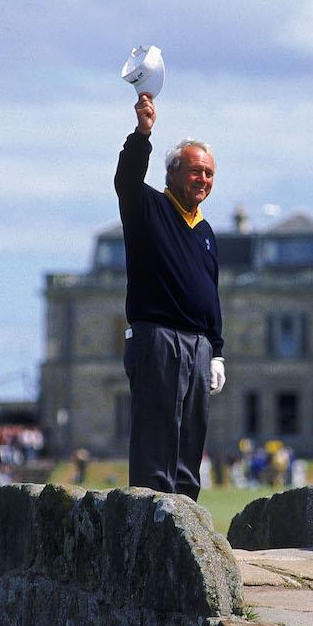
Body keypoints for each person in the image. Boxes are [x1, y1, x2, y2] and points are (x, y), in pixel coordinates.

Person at [115, 92, 225, 501]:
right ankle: (149, 530)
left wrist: (216, 350)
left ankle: (185, 526)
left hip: (198, 346)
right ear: (174, 172)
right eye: (196, 172)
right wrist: (143, 133)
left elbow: (209, 296)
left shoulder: (207, 232)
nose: (204, 181)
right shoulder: (148, 207)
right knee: (155, 444)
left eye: (210, 175)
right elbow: (126, 179)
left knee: (189, 443)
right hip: (157, 338)